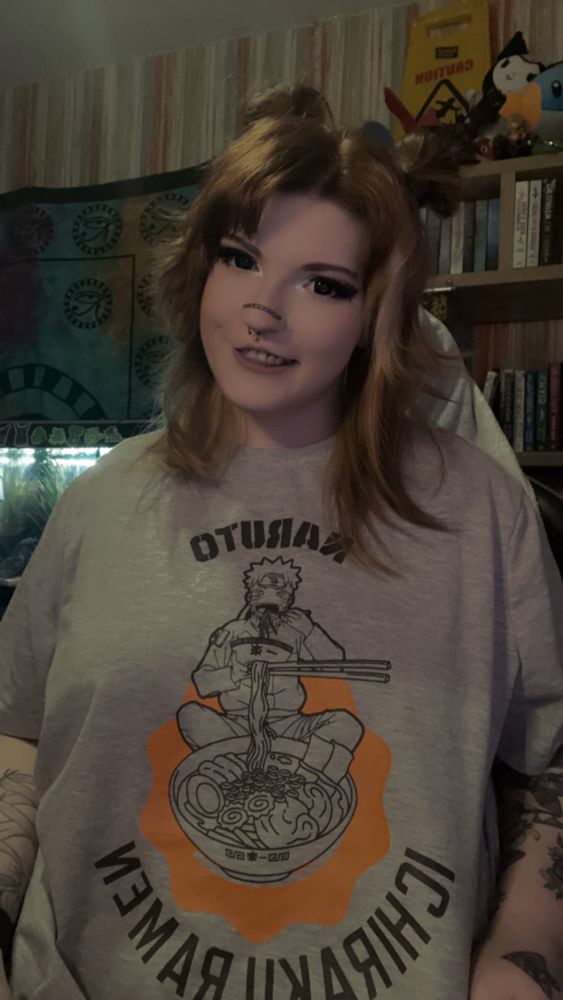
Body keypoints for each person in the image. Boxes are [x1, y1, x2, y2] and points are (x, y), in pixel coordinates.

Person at [0, 85, 561, 1000]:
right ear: (201, 270)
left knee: (336, 730)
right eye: (240, 258)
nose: (263, 308)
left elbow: (547, 758)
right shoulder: (98, 503)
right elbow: (17, 732)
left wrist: (522, 954)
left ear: (376, 314)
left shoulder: (481, 510)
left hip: (320, 805)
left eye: (322, 283)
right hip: (79, 968)